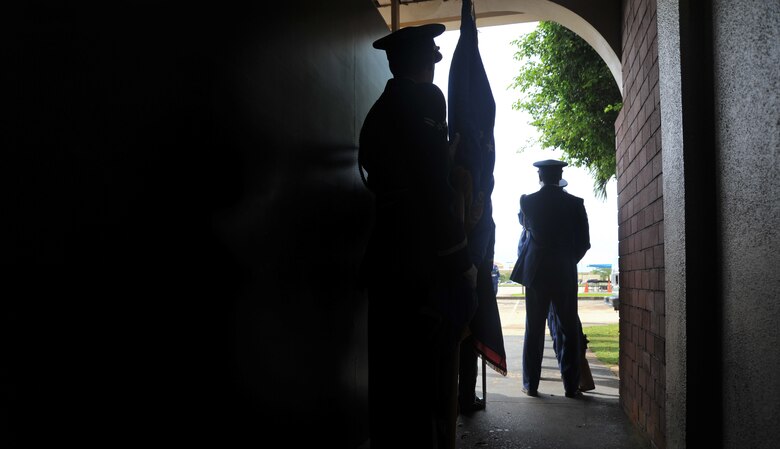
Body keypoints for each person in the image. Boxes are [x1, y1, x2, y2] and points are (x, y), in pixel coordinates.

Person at [358, 23, 478, 449]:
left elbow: (391, 173)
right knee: (421, 383)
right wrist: (462, 259)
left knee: (388, 381)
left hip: (385, 258)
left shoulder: (379, 111)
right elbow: (430, 191)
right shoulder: (426, 99)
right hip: (420, 263)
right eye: (432, 57)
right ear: (423, 64)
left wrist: (436, 160)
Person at [509, 159, 590, 398]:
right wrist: (567, 261)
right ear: (560, 177)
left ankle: (531, 384)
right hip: (564, 272)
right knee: (568, 329)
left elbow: (526, 227)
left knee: (533, 329)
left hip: (536, 273)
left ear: (539, 177)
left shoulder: (527, 201)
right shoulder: (576, 203)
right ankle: (570, 385)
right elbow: (584, 243)